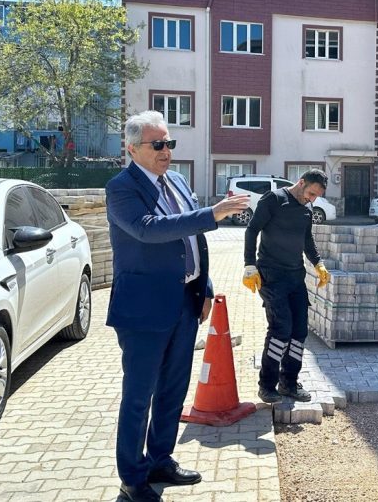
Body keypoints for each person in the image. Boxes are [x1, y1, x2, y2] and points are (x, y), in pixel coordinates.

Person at [106, 110, 249, 502]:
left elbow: (193, 241)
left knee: (172, 390)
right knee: (139, 396)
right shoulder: (122, 188)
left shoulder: (179, 181)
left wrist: (205, 288)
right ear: (132, 149)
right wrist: (212, 214)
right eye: (157, 145)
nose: (166, 151)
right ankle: (132, 478)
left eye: (169, 143)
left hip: (185, 303)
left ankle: (160, 460)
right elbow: (147, 229)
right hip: (144, 310)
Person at [242, 169, 331, 404]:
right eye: (311, 193)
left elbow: (307, 239)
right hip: (271, 276)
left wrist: (318, 263)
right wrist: (249, 265)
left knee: (299, 331)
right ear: (301, 183)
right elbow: (252, 230)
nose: (312, 199)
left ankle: (289, 383)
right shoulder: (273, 200)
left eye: (316, 196)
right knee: (281, 329)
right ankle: (267, 385)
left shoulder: (306, 209)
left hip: (295, 277)